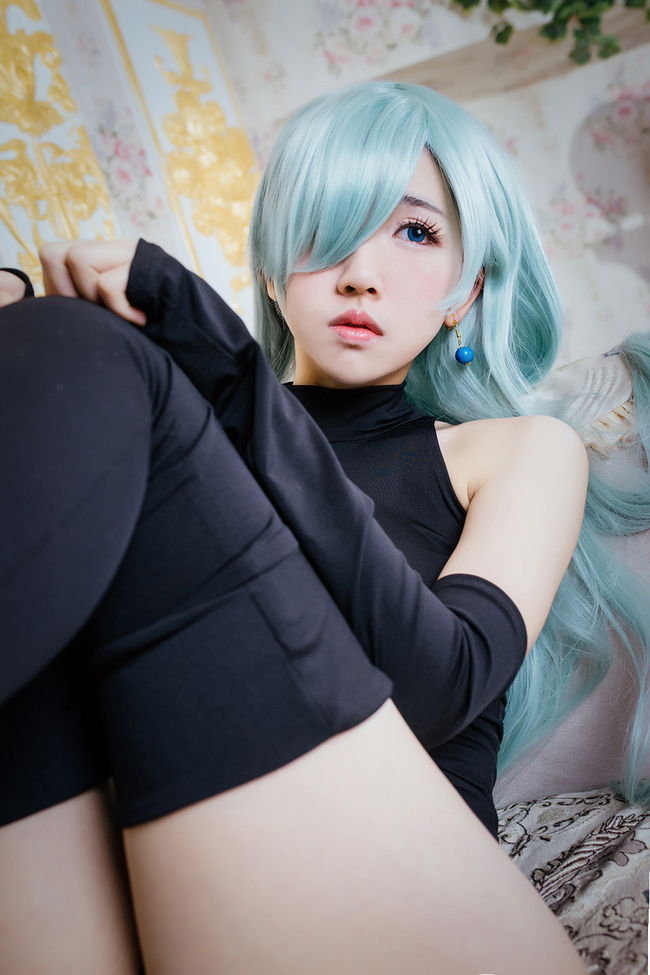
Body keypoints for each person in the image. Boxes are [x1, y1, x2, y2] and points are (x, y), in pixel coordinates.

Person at [0, 80, 614, 975]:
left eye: (415, 232)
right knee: (48, 342)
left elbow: (441, 686)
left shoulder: (517, 450)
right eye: (328, 228)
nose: (360, 271)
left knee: (83, 351)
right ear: (272, 267)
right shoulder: (200, 422)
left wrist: (228, 374)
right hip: (152, 857)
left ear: (465, 289)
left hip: (411, 883)